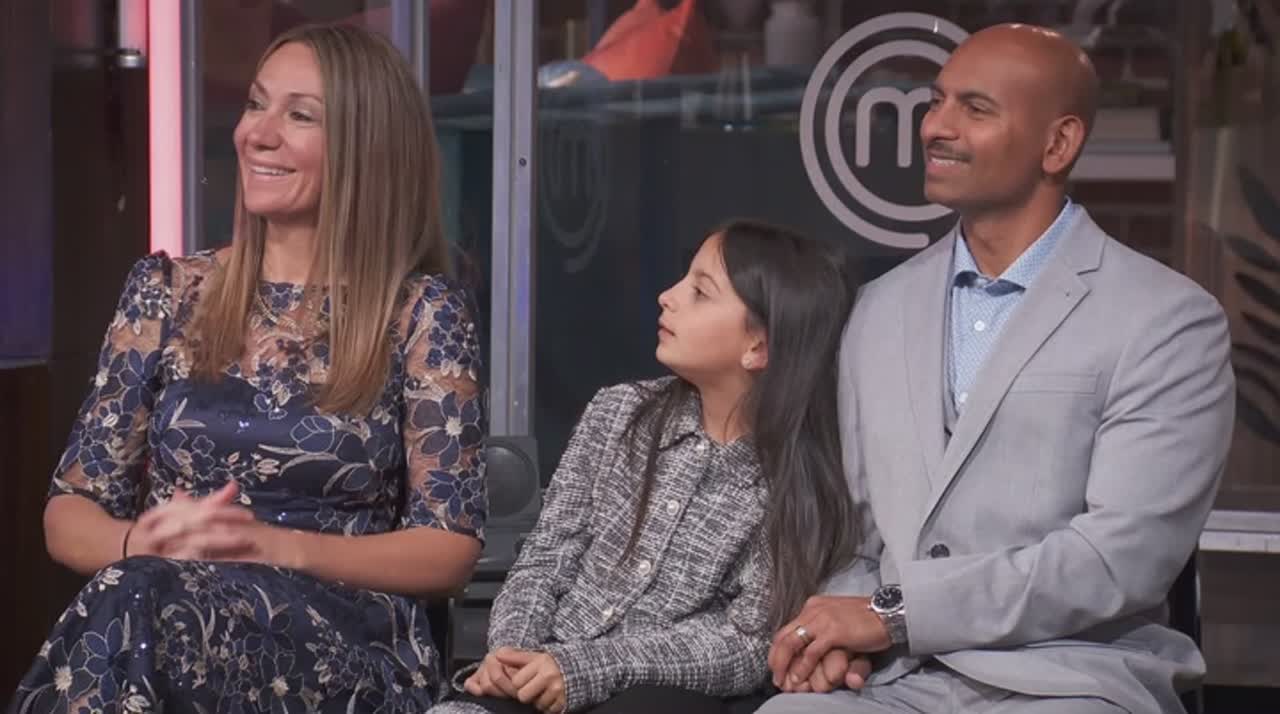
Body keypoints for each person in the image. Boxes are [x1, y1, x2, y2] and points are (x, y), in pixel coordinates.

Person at [759, 23, 1236, 714]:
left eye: (975, 109)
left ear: (1058, 144)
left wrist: (895, 614)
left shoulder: (1167, 320)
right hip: (902, 680)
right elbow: (859, 539)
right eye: (936, 102)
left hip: (1071, 679)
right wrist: (835, 633)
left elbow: (1118, 560)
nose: (935, 127)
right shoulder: (877, 309)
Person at [9, 24, 485, 713]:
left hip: (345, 642)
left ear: (366, 147)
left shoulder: (421, 313)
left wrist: (274, 547)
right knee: (137, 594)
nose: (257, 134)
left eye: (300, 115)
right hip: (162, 610)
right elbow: (69, 510)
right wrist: (136, 539)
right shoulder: (166, 292)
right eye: (256, 104)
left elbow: (448, 549)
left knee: (137, 605)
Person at [431, 220, 864, 714]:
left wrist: (590, 667)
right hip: (539, 672)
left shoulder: (791, 479)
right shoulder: (618, 411)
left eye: (700, 292)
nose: (668, 297)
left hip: (655, 693)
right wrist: (512, 653)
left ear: (758, 347)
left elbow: (745, 643)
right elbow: (547, 554)